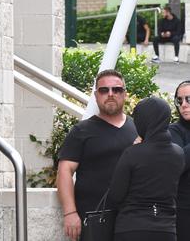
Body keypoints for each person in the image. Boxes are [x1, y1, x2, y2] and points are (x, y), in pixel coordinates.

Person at [56, 69, 138, 241]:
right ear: (96, 95)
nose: (110, 94)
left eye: (116, 90)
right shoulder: (81, 131)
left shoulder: (138, 128)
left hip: (132, 219)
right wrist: (70, 212)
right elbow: (64, 171)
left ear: (125, 94)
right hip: (93, 220)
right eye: (104, 90)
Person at [108, 97, 184, 241]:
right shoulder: (178, 154)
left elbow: (116, 195)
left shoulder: (132, 153)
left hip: (131, 227)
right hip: (166, 230)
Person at [169, 80, 190, 240]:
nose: (183, 104)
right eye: (179, 100)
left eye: (189, 99)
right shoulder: (173, 130)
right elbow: (178, 163)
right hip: (184, 210)